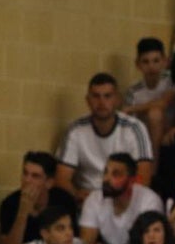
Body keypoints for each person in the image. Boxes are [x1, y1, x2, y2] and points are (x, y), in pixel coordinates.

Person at [55, 73, 154, 202]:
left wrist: (117, 200)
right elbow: (62, 178)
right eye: (96, 96)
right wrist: (77, 194)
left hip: (123, 199)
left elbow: (143, 178)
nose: (102, 102)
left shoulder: (135, 128)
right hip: (86, 200)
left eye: (107, 96)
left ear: (117, 99)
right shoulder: (75, 130)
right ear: (87, 100)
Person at [79, 153, 165, 244]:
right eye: (106, 172)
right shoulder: (94, 199)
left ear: (132, 181)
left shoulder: (149, 201)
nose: (106, 179)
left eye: (115, 174)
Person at [123, 38, 175, 163]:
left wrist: (133, 108)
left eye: (156, 61)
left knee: (155, 113)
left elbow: (163, 103)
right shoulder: (133, 91)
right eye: (145, 62)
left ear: (164, 61)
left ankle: (153, 168)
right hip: (144, 134)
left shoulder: (171, 80)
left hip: (169, 131)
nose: (151, 66)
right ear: (138, 64)